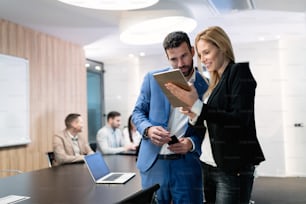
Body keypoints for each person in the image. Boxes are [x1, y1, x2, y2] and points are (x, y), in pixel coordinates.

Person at [165, 26, 265, 204]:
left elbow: (239, 120)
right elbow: (212, 122)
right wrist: (193, 114)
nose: (203, 60)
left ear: (222, 47)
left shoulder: (239, 72)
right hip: (209, 164)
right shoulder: (214, 82)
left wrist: (197, 106)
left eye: (207, 52)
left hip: (232, 167)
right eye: (201, 55)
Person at [132, 31, 208, 204]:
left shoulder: (206, 86)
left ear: (192, 51)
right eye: (174, 59)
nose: (181, 64)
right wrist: (148, 129)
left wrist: (192, 143)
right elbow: (137, 113)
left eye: (184, 56)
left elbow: (207, 127)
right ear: (167, 57)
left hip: (186, 164)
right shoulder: (152, 79)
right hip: (154, 163)